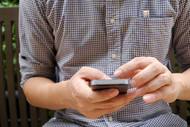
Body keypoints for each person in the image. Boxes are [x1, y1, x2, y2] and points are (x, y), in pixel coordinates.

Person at [19, 0, 190, 126]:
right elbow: (34, 80)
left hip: (156, 121)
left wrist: (176, 85)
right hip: (72, 122)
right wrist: (69, 94)